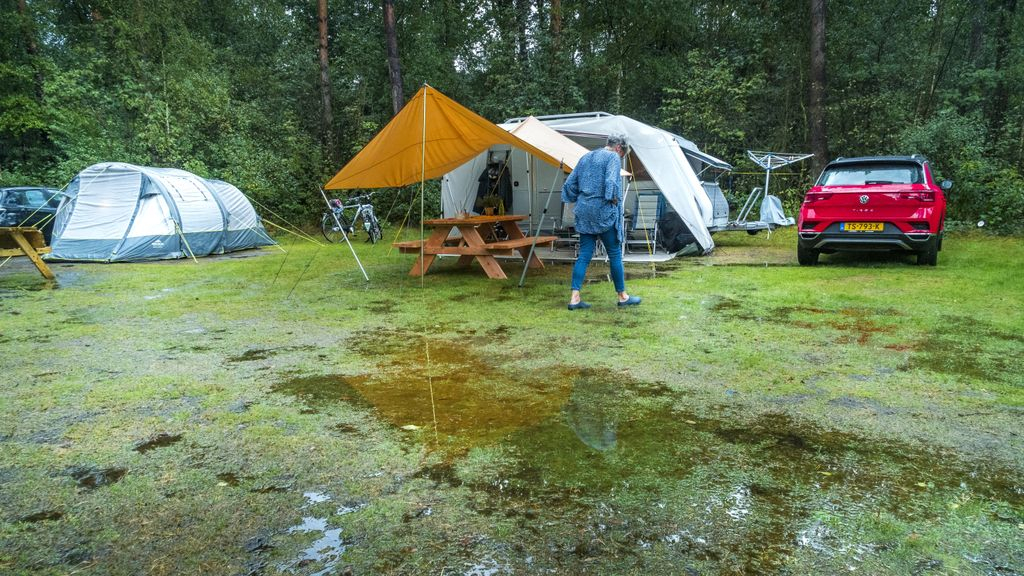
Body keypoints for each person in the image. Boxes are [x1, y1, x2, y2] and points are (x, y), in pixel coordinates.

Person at [561, 133, 641, 310]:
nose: (621, 157)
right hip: (603, 211)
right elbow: (611, 181)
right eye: (623, 154)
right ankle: (622, 296)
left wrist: (580, 198)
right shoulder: (612, 156)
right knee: (613, 253)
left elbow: (569, 184)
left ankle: (574, 298)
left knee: (584, 254)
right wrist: (612, 199)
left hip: (583, 210)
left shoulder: (586, 157)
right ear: (619, 148)